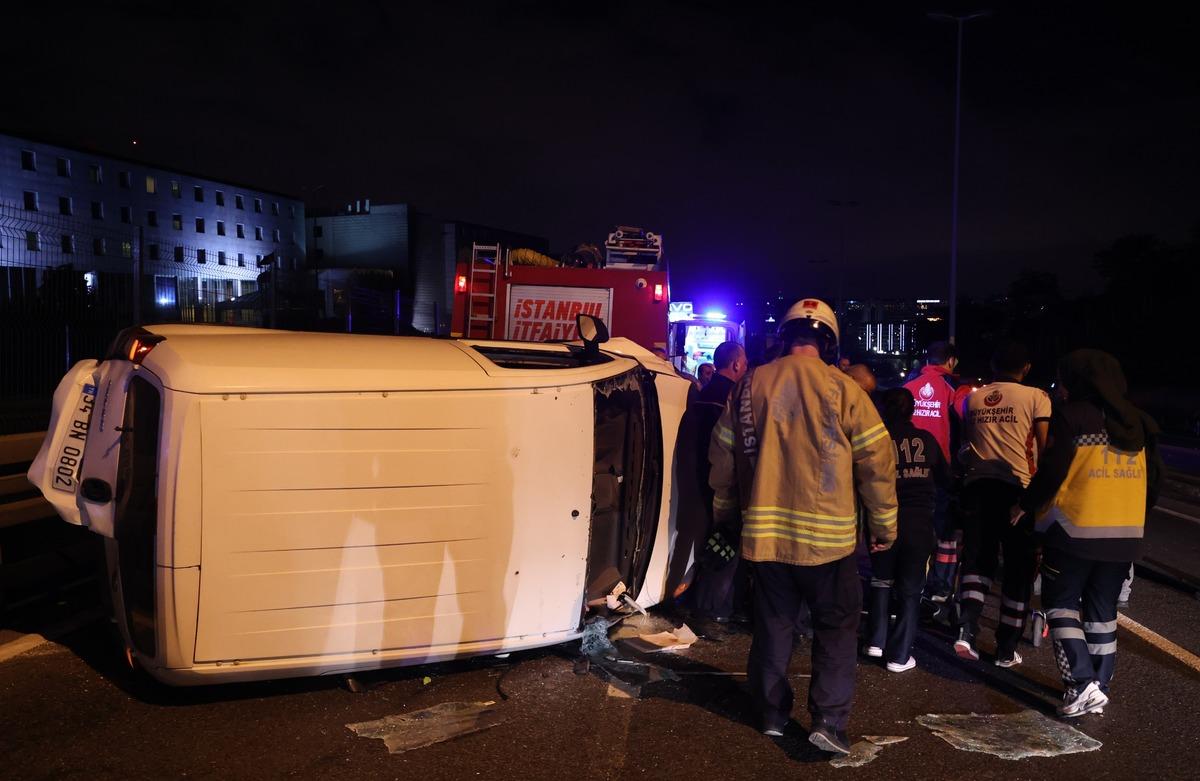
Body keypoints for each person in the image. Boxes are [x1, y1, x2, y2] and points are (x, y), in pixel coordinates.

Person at [708, 298, 897, 755]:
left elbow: (722, 459)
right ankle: (829, 722)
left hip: (766, 539)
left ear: (786, 335)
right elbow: (877, 463)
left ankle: (772, 715)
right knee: (836, 628)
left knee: (774, 628)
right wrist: (884, 526)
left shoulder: (749, 384)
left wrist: (725, 514)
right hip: (830, 543)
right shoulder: (846, 388)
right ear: (828, 343)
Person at [1014, 350, 1162, 716]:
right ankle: (1099, 687)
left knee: (1060, 605)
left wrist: (1025, 505)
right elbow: (1156, 481)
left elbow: (1052, 471)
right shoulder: (1140, 421)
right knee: (1102, 612)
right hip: (1125, 533)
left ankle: (1081, 684)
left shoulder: (1073, 416)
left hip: (1073, 530)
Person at [954, 341, 1050, 667]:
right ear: (1026, 369)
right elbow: (1044, 448)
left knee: (977, 561)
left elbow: (966, 445)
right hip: (1017, 493)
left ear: (993, 366)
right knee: (1017, 570)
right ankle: (1006, 649)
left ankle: (966, 630)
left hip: (977, 487)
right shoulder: (1037, 397)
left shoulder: (973, 398)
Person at [865, 389, 948, 671]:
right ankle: (899, 656)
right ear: (912, 411)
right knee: (911, 591)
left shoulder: (877, 441)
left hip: (883, 519)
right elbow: (946, 479)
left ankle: (875, 641)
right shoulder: (926, 440)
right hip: (918, 523)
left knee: (881, 580)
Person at [683, 342, 748, 630]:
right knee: (724, 547)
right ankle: (710, 611)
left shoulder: (703, 391)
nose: (745, 367)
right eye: (744, 362)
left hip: (697, 477)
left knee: (710, 544)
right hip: (720, 482)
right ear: (735, 364)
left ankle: (703, 605)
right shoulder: (731, 397)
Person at [903, 341, 971, 605]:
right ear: (951, 361)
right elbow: (968, 417)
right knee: (945, 532)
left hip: (907, 469)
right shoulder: (954, 388)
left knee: (912, 527)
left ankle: (911, 581)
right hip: (942, 472)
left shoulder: (909, 385)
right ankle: (940, 587)